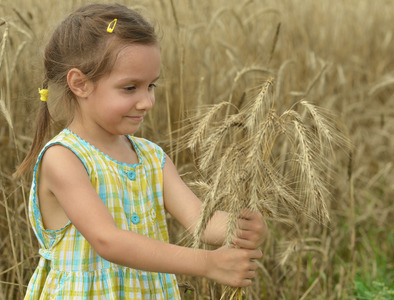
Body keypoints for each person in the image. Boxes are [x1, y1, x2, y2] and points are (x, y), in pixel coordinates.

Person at [15, 3, 268, 299]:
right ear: (80, 84)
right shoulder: (64, 158)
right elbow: (108, 241)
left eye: (151, 85)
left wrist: (239, 227)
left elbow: (200, 219)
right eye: (130, 88)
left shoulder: (151, 157)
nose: (147, 101)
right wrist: (207, 263)